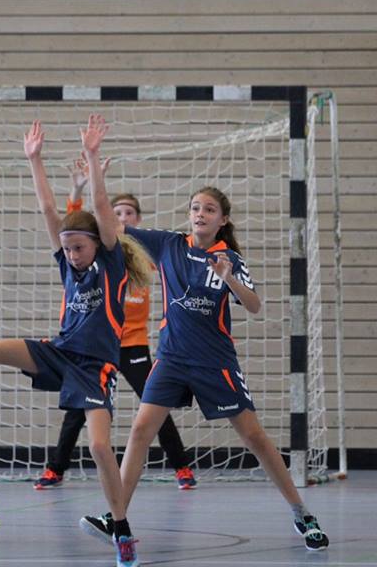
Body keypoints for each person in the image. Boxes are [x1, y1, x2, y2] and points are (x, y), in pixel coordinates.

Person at [0, 115, 155, 567]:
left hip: (95, 366)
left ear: (97, 244)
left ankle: (122, 530)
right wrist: (34, 159)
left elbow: (98, 206)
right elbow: (49, 209)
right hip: (59, 352)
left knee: (98, 447)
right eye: (67, 248)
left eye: (79, 248)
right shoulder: (66, 260)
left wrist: (92, 155)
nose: (71, 254)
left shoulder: (110, 262)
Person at [80, 186, 330, 553]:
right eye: (196, 207)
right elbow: (110, 223)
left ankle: (302, 514)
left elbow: (254, 305)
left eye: (209, 209)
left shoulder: (229, 258)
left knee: (254, 437)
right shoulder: (168, 244)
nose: (201, 214)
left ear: (222, 219)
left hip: (215, 362)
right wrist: (93, 170)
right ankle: (115, 518)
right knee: (140, 431)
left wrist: (228, 277)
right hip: (171, 359)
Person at [33, 161, 196, 491]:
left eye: (128, 214)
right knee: (77, 411)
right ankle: (55, 468)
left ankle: (181, 466)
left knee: (154, 403)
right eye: (116, 213)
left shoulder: (143, 253)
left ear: (138, 220)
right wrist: (78, 188)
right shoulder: (89, 255)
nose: (122, 217)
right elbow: (71, 225)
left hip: (132, 343)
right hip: (92, 346)